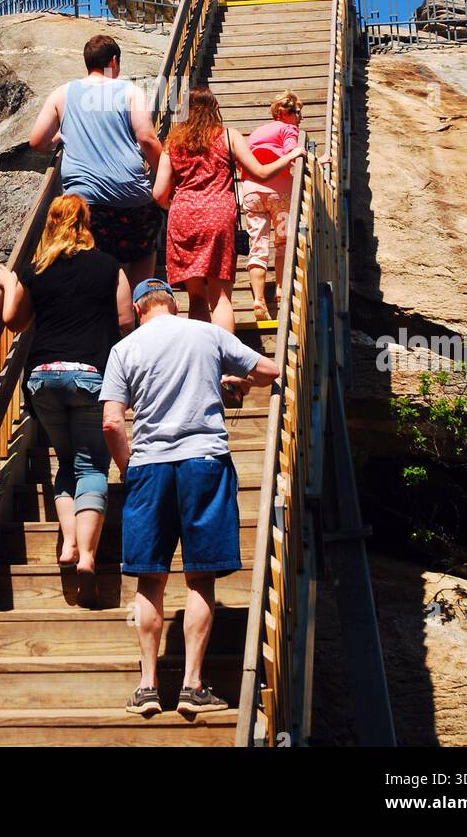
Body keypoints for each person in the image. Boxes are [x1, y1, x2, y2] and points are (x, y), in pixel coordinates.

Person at [101, 278, 278, 717]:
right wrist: (237, 381)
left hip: (149, 467)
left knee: (149, 579)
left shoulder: (125, 349)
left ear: (140, 310)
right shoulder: (206, 332)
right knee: (200, 578)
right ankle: (193, 686)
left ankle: (146, 687)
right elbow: (269, 371)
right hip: (205, 462)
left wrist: (128, 466)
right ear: (174, 306)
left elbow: (110, 422)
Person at [0, 194, 134, 605]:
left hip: (42, 378)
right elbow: (126, 321)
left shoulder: (37, 270)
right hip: (90, 375)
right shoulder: (110, 268)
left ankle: (68, 544)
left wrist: (9, 285)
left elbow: (12, 321)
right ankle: (88, 555)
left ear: (51, 225)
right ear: (86, 223)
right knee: (92, 464)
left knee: (65, 459)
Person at [152, 86, 304, 332]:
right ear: (215, 109)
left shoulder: (173, 143)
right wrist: (291, 156)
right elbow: (261, 173)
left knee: (197, 298)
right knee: (220, 295)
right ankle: (225, 361)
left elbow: (158, 193)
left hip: (183, 215)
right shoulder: (228, 136)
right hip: (218, 215)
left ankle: (203, 359)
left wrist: (177, 205)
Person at [29, 34, 163, 287]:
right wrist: (162, 172)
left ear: (87, 61)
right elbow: (146, 138)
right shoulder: (131, 91)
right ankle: (137, 307)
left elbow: (36, 141)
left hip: (83, 201)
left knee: (95, 257)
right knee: (145, 246)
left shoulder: (63, 93)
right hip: (129, 195)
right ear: (114, 61)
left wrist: (59, 138)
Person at [240, 90, 305, 322]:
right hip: (280, 193)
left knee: (257, 245)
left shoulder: (258, 131)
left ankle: (258, 299)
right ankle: (279, 289)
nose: (299, 117)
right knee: (283, 241)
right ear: (282, 113)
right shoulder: (289, 129)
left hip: (252, 191)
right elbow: (292, 153)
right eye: (296, 112)